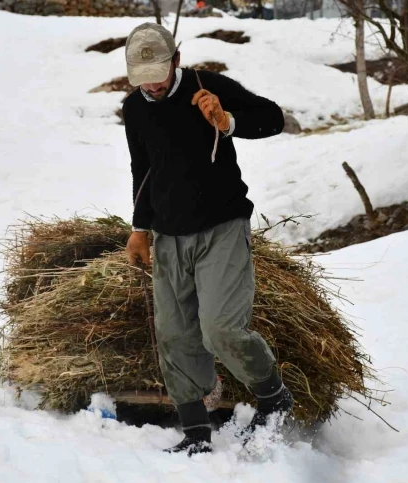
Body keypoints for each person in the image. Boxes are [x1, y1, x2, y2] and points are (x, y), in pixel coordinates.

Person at [122, 22, 292, 456]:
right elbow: (142, 169)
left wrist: (229, 121)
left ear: (176, 61)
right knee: (175, 335)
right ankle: (196, 431)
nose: (152, 85)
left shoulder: (207, 86)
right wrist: (141, 228)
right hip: (168, 235)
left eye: (158, 74)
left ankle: (274, 396)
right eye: (142, 79)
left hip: (221, 227)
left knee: (219, 329)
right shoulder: (135, 109)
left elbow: (273, 119)